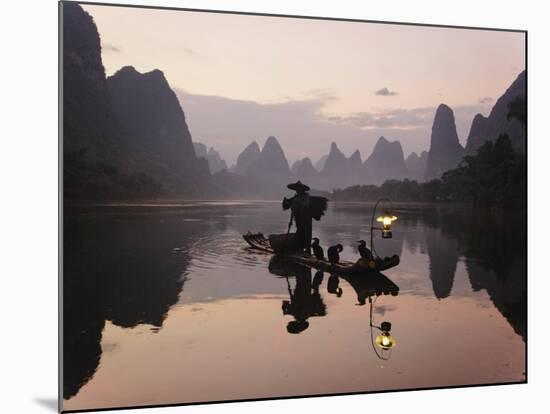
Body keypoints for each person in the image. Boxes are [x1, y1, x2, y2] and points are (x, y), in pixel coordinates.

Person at [283, 181, 313, 255]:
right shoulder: (295, 197)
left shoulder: (306, 196)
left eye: (299, 188)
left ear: (302, 189)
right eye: (296, 188)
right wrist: (290, 221)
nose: (297, 190)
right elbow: (293, 210)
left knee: (307, 234)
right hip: (298, 220)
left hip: (306, 219)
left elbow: (306, 205)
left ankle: (308, 251)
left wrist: (300, 204)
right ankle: (300, 249)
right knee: (299, 234)